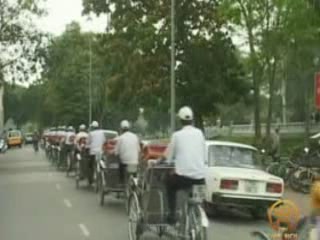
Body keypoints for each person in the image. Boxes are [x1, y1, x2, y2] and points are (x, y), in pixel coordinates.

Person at [163, 106, 206, 223]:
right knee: (198, 199)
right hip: (200, 178)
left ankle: (172, 214)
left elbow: (167, 157)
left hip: (183, 179)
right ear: (192, 120)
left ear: (180, 120)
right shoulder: (200, 133)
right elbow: (204, 155)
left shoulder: (177, 135)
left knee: (169, 183)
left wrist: (159, 160)